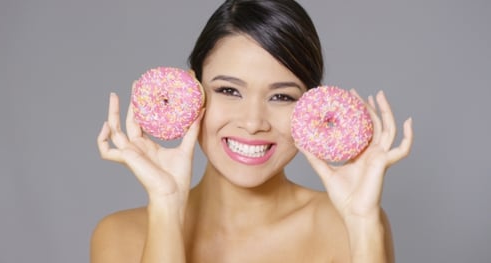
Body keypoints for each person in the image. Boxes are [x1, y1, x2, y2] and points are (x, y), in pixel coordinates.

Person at [91, 0, 413, 262]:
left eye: (282, 96)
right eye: (229, 91)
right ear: (192, 91)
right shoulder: (121, 235)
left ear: (310, 106)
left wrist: (362, 224)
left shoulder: (345, 225)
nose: (253, 121)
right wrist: (166, 205)